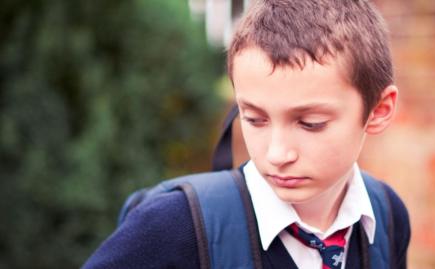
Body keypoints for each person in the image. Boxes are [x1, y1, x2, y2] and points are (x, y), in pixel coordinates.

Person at [83, 0, 410, 268]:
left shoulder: (388, 216)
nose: (277, 154)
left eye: (310, 123)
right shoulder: (172, 225)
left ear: (378, 111)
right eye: (254, 119)